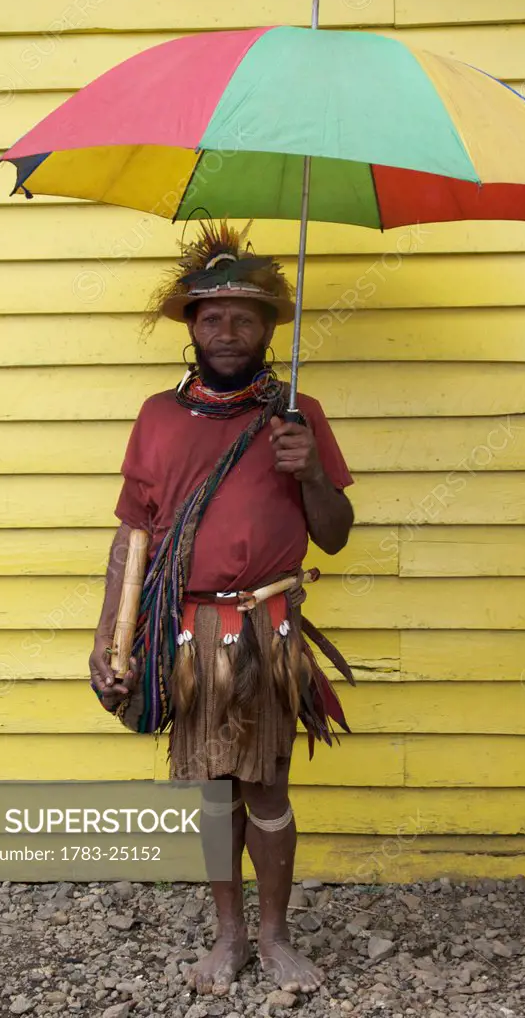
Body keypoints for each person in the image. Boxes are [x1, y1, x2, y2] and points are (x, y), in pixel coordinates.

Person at [89, 220, 355, 996]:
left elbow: (334, 537)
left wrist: (308, 475)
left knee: (265, 787)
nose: (227, 331)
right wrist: (110, 640)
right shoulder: (157, 416)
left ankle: (274, 938)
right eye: (212, 316)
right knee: (210, 789)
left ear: (271, 326)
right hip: (187, 630)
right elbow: (131, 538)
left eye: (244, 315)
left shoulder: (297, 413)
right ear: (189, 325)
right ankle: (228, 936)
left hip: (268, 631)